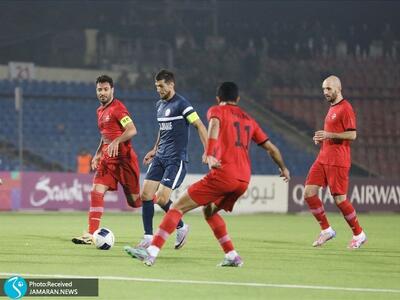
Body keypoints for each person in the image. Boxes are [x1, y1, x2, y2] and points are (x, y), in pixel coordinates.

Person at [124, 81, 290, 266]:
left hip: (223, 174)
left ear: (218, 98)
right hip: (243, 179)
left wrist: (210, 153)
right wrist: (283, 168)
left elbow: (213, 126)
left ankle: (151, 252)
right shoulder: (249, 120)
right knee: (209, 211)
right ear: (238, 99)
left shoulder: (216, 111)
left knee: (176, 207)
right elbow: (271, 148)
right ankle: (232, 256)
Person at [137, 69, 208, 250]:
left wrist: (208, 150)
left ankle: (182, 227)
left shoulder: (182, 105)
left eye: (161, 86)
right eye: (156, 86)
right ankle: (147, 237)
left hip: (175, 160)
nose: (158, 90)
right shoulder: (159, 105)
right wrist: (154, 149)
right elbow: (163, 129)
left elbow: (199, 125)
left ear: (171, 84)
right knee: (145, 195)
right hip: (160, 157)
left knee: (161, 199)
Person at [72, 75, 142, 244]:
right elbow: (104, 136)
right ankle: (91, 234)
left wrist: (117, 141)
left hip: (124, 161)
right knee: (96, 192)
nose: (102, 93)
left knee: (135, 202)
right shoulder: (100, 111)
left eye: (105, 89)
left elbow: (132, 130)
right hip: (107, 160)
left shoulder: (118, 109)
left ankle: (159, 198)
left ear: (112, 90)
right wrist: (97, 154)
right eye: (99, 89)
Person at [304, 75, 366, 249]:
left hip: (338, 160)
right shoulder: (332, 107)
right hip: (323, 158)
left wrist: (329, 135)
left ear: (338, 88)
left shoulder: (346, 108)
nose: (325, 92)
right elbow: (331, 133)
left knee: (340, 200)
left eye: (329, 88)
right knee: (309, 193)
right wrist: (321, 138)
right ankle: (326, 230)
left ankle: (359, 234)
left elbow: (352, 134)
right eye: (324, 89)